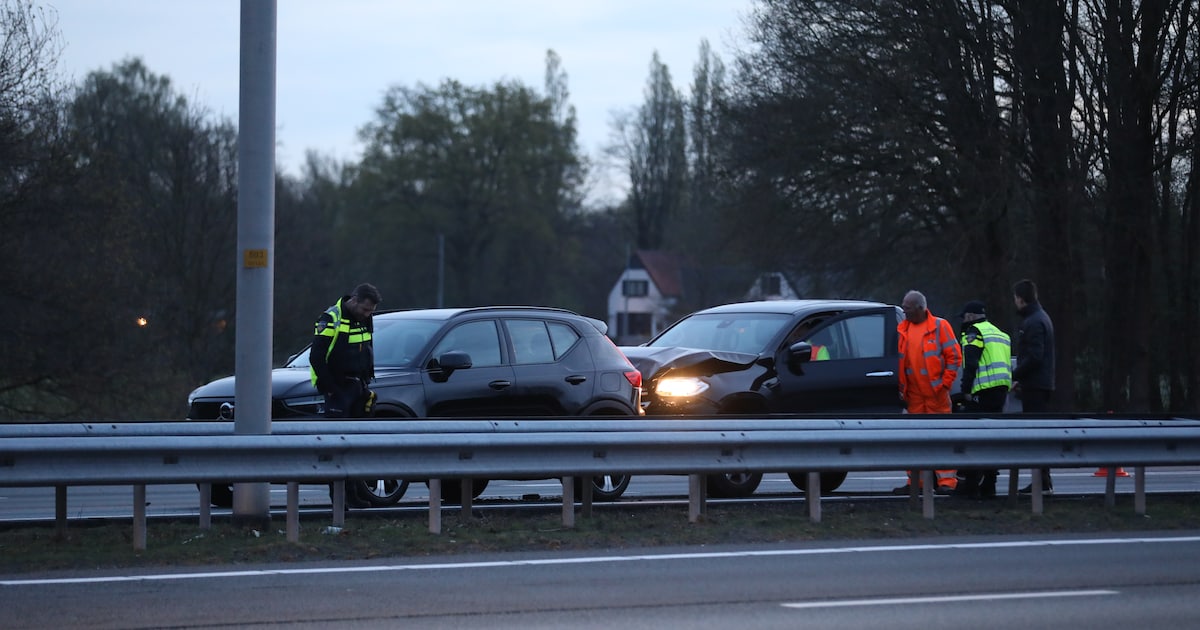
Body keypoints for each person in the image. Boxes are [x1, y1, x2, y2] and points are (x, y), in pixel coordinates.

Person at [310, 282, 382, 508]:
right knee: (338, 447)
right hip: (339, 390)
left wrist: (366, 381)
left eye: (371, 311)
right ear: (354, 300)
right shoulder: (331, 318)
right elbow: (316, 357)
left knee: (355, 445)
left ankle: (355, 495)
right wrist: (331, 388)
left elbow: (366, 348)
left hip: (358, 386)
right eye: (365, 309)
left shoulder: (364, 318)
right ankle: (339, 500)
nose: (367, 314)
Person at [894, 290, 963, 495]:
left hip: (936, 395)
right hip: (914, 396)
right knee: (914, 440)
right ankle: (917, 482)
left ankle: (947, 482)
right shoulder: (903, 328)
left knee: (942, 438)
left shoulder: (940, 326)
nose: (904, 311)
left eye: (907, 308)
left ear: (920, 308)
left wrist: (944, 385)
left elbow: (954, 357)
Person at [951, 300, 1011, 499]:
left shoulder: (974, 332)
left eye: (964, 317)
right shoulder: (999, 333)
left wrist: (965, 390)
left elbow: (971, 363)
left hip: (982, 393)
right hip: (1000, 393)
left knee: (972, 438)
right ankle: (989, 484)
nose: (963, 321)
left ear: (970, 316)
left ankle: (970, 485)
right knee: (991, 439)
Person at [1012, 278, 1056, 495]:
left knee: (1037, 435)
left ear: (1021, 299)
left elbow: (1035, 357)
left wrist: (1016, 374)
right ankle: (1042, 480)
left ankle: (1042, 481)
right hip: (1039, 383)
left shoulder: (1034, 322)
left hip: (1036, 386)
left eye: (1015, 298)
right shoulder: (1040, 317)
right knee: (1039, 434)